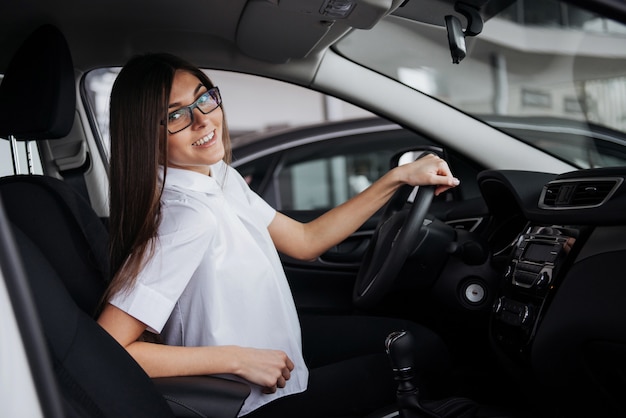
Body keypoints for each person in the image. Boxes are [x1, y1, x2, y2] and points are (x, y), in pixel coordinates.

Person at [97, 53, 460, 417]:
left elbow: (305, 241)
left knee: (414, 344)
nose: (203, 119)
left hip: (282, 369)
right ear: (146, 133)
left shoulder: (220, 179)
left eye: (204, 98)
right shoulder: (186, 217)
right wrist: (238, 359)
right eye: (176, 115)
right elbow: (109, 348)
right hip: (250, 403)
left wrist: (397, 178)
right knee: (422, 355)